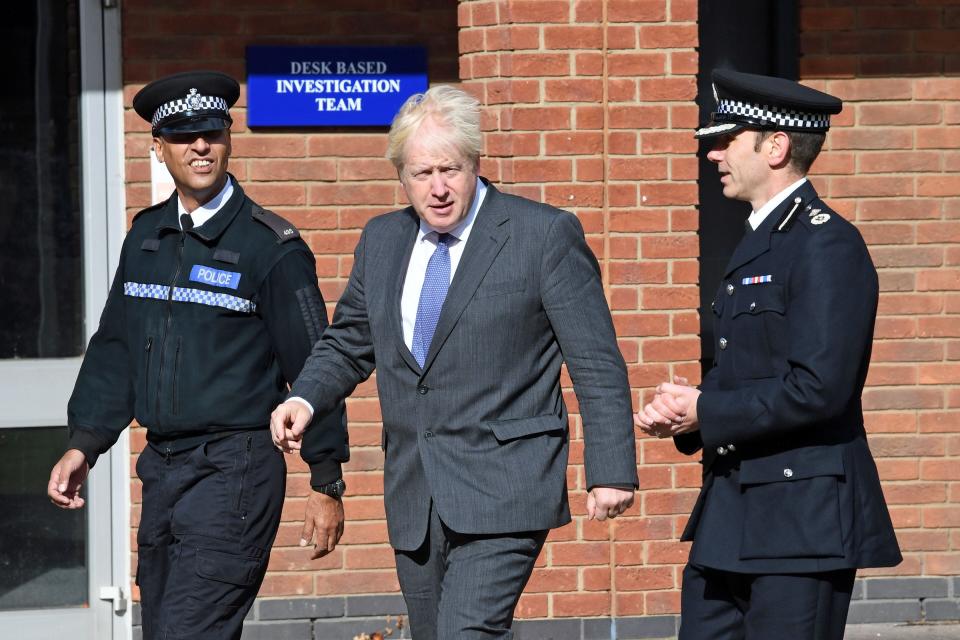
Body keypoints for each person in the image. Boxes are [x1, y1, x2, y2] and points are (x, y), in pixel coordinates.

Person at [270, 85, 638, 639]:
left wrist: (610, 470)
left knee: (466, 632)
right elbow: (349, 340)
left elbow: (596, 361)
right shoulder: (383, 239)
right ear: (401, 176)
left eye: (451, 169)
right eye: (422, 174)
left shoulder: (542, 235)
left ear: (475, 163)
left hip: (507, 484)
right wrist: (305, 396)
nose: (438, 189)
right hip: (416, 490)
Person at [46, 70, 349, 640]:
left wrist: (326, 479)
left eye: (212, 132)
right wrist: (83, 444)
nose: (201, 146)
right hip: (162, 469)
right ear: (157, 147)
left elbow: (318, 366)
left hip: (235, 469)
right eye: (184, 136)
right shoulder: (146, 237)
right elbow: (116, 347)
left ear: (229, 140)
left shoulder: (271, 247)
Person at [635, 69, 902, 640]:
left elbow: (820, 388)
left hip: (799, 520)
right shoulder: (764, 238)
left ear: (776, 146)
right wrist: (690, 411)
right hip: (733, 511)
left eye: (728, 138)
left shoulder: (827, 244)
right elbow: (749, 371)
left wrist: (708, 411)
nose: (713, 153)